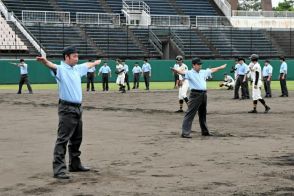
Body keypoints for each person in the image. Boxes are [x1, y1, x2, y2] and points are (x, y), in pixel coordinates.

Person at [36, 45, 101, 179]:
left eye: (77, 56)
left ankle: (75, 164)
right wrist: (45, 62)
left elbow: (86, 65)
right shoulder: (61, 69)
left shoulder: (76, 69)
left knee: (77, 138)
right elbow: (52, 66)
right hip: (67, 108)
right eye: (74, 56)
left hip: (78, 108)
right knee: (63, 139)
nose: (77, 58)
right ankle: (59, 169)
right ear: (66, 57)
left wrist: (95, 63)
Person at [172, 57, 226, 138]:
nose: (200, 66)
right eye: (198, 64)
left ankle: (205, 131)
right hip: (195, 95)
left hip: (204, 94)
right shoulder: (189, 73)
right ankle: (185, 133)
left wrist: (220, 67)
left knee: (203, 114)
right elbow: (181, 72)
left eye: (200, 64)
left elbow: (212, 70)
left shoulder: (203, 72)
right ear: (193, 65)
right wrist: (176, 70)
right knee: (190, 113)